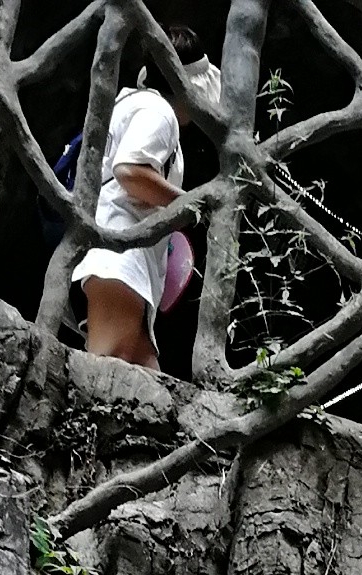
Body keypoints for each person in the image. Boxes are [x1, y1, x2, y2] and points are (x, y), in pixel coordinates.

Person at [74, 36, 219, 373]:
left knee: (146, 373)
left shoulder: (130, 104)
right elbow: (130, 171)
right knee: (104, 373)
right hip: (121, 259)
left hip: (118, 261)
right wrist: (192, 206)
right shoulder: (159, 111)